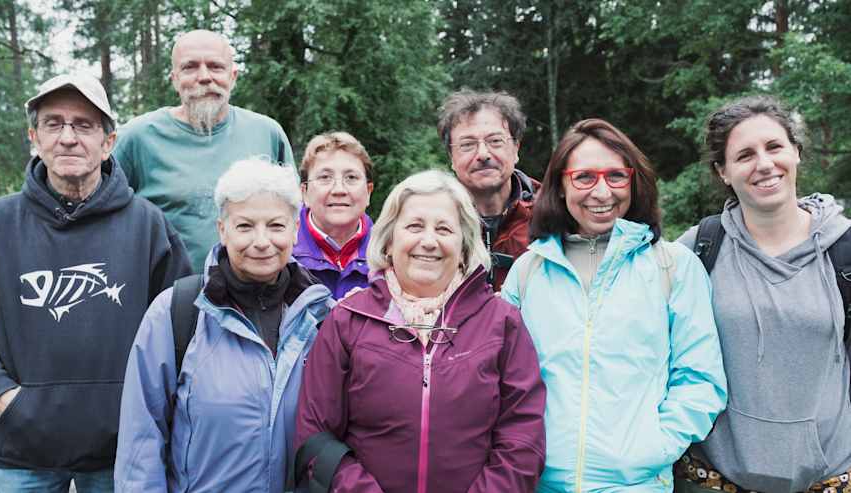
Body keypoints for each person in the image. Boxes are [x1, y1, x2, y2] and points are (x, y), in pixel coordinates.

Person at [0, 73, 192, 493]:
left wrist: (156, 413)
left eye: (84, 125)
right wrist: (1, 394)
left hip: (124, 451)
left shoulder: (148, 225)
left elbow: (182, 329)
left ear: (108, 141)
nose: (68, 138)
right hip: (19, 455)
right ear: (34, 137)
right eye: (54, 124)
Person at [501, 119, 727, 492]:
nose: (602, 191)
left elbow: (700, 378)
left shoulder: (673, 266)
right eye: (585, 177)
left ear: (633, 181)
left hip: (637, 483)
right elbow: (504, 380)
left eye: (616, 176)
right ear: (560, 184)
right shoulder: (528, 271)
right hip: (538, 483)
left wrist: (654, 447)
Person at [294, 169, 546, 492]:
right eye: (414, 226)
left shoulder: (502, 323)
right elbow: (316, 435)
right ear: (388, 240)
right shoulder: (346, 321)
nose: (429, 241)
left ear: (465, 246)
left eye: (444, 229)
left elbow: (523, 437)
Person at [114, 160, 334, 492]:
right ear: (222, 230)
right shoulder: (176, 313)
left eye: (275, 225)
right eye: (245, 226)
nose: (262, 241)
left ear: (295, 230)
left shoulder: (323, 316)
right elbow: (141, 438)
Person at [673, 96, 851, 493]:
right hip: (712, 479)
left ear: (796, 152)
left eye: (774, 147)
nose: (764, 164)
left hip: (830, 478)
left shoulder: (846, 249)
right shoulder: (699, 248)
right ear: (723, 171)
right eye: (745, 155)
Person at [114, 29, 295, 272]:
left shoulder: (267, 133)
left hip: (255, 299)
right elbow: (106, 217)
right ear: (174, 78)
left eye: (215, 66)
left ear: (233, 76)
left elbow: (294, 216)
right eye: (190, 67)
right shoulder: (138, 138)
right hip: (167, 298)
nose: (204, 77)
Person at [437, 89, 539, 291]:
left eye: (495, 141)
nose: (483, 154)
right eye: (467, 145)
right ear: (451, 157)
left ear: (516, 149)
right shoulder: (432, 217)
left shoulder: (551, 213)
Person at [293, 131, 374, 299]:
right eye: (325, 177)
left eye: (351, 177)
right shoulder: (281, 253)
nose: (339, 190)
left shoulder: (390, 254)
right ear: (304, 193)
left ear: (368, 192)